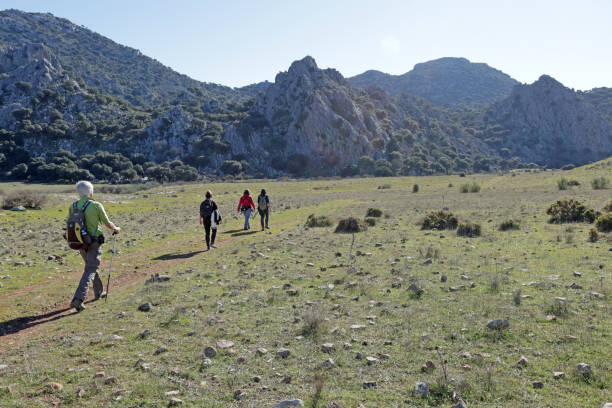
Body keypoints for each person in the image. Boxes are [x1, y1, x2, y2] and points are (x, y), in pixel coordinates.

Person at [69, 181, 120, 312]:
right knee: (91, 269)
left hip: (79, 242)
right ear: (91, 192)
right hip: (94, 242)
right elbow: (107, 223)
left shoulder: (73, 206)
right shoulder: (96, 205)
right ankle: (78, 299)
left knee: (90, 266)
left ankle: (98, 292)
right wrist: (116, 229)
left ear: (79, 193)